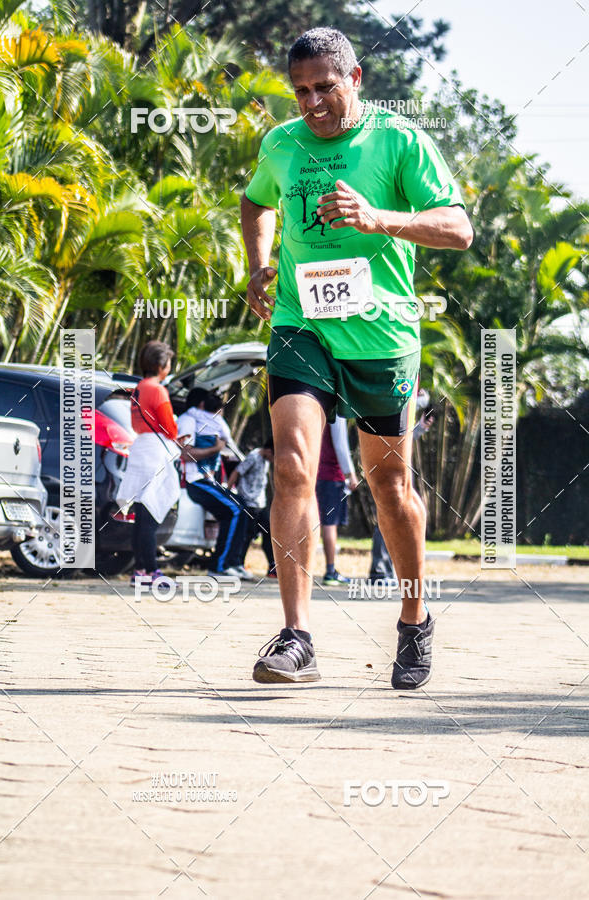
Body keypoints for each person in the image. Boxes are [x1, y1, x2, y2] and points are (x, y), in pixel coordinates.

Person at [241, 27, 472, 688]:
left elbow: (458, 228)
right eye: (301, 90)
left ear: (356, 80)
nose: (312, 102)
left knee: (388, 486)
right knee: (291, 465)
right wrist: (258, 266)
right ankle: (297, 636)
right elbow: (255, 199)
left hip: (380, 337)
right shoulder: (281, 145)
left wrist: (380, 219)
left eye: (325, 87)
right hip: (300, 324)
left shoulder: (400, 141)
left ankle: (414, 619)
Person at [116, 341, 180, 583]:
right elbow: (170, 428)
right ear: (161, 364)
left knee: (141, 514)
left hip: (141, 448)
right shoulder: (158, 389)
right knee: (151, 515)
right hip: (155, 452)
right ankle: (153, 571)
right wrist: (175, 428)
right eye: (169, 362)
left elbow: (136, 424)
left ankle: (140, 571)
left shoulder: (138, 389)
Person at [177, 392, 251, 579]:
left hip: (208, 480)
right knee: (233, 510)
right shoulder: (188, 420)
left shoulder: (210, 422)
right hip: (193, 481)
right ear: (202, 405)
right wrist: (215, 449)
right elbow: (185, 454)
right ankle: (218, 567)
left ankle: (234, 563)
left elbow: (227, 443)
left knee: (243, 507)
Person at [368, 398, 435, 586]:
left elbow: (402, 436)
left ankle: (388, 572)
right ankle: (379, 572)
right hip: (384, 469)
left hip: (399, 470)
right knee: (387, 517)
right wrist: (422, 399)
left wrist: (420, 426)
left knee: (397, 518)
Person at [316, 417, 358, 585]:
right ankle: (330, 570)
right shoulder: (336, 412)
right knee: (329, 524)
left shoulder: (318, 407)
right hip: (331, 475)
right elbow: (340, 444)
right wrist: (350, 473)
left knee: (315, 521)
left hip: (315, 473)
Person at [227, 437, 276, 578]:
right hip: (249, 503)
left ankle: (273, 566)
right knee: (247, 535)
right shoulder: (253, 457)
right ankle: (238, 564)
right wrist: (228, 492)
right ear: (268, 451)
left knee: (269, 532)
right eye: (274, 455)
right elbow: (237, 472)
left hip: (260, 503)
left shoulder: (266, 461)